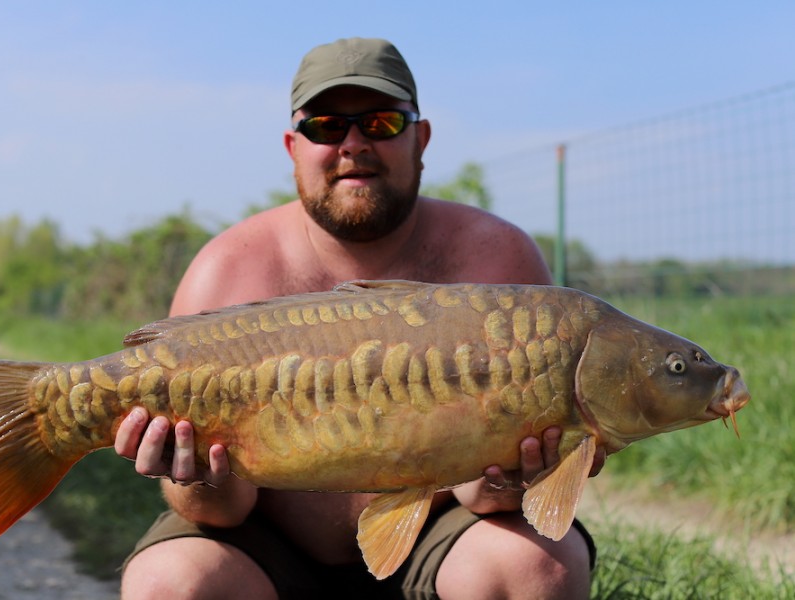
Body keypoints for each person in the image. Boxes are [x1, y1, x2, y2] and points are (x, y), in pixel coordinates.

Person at [116, 37, 603, 599]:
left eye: (380, 122)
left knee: (537, 564)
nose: (352, 144)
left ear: (419, 139)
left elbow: (483, 498)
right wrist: (195, 478)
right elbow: (221, 514)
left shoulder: (497, 263)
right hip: (263, 546)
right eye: (325, 126)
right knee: (170, 582)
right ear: (292, 146)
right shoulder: (225, 271)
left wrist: (510, 477)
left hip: (434, 540)